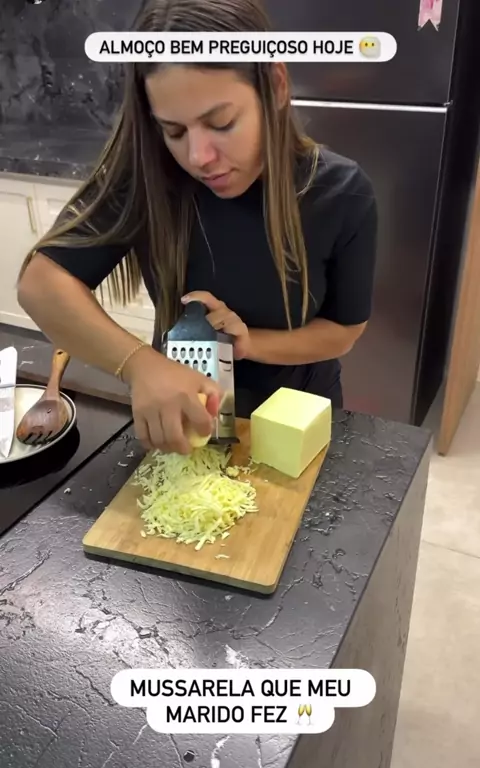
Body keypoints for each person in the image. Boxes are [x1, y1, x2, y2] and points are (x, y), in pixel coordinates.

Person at [17, 0, 378, 456]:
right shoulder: (150, 178)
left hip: (298, 412)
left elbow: (344, 330)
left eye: (221, 123)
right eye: (174, 131)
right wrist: (141, 365)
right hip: (183, 412)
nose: (197, 157)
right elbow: (40, 285)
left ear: (276, 85)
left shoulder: (342, 192)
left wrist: (251, 343)